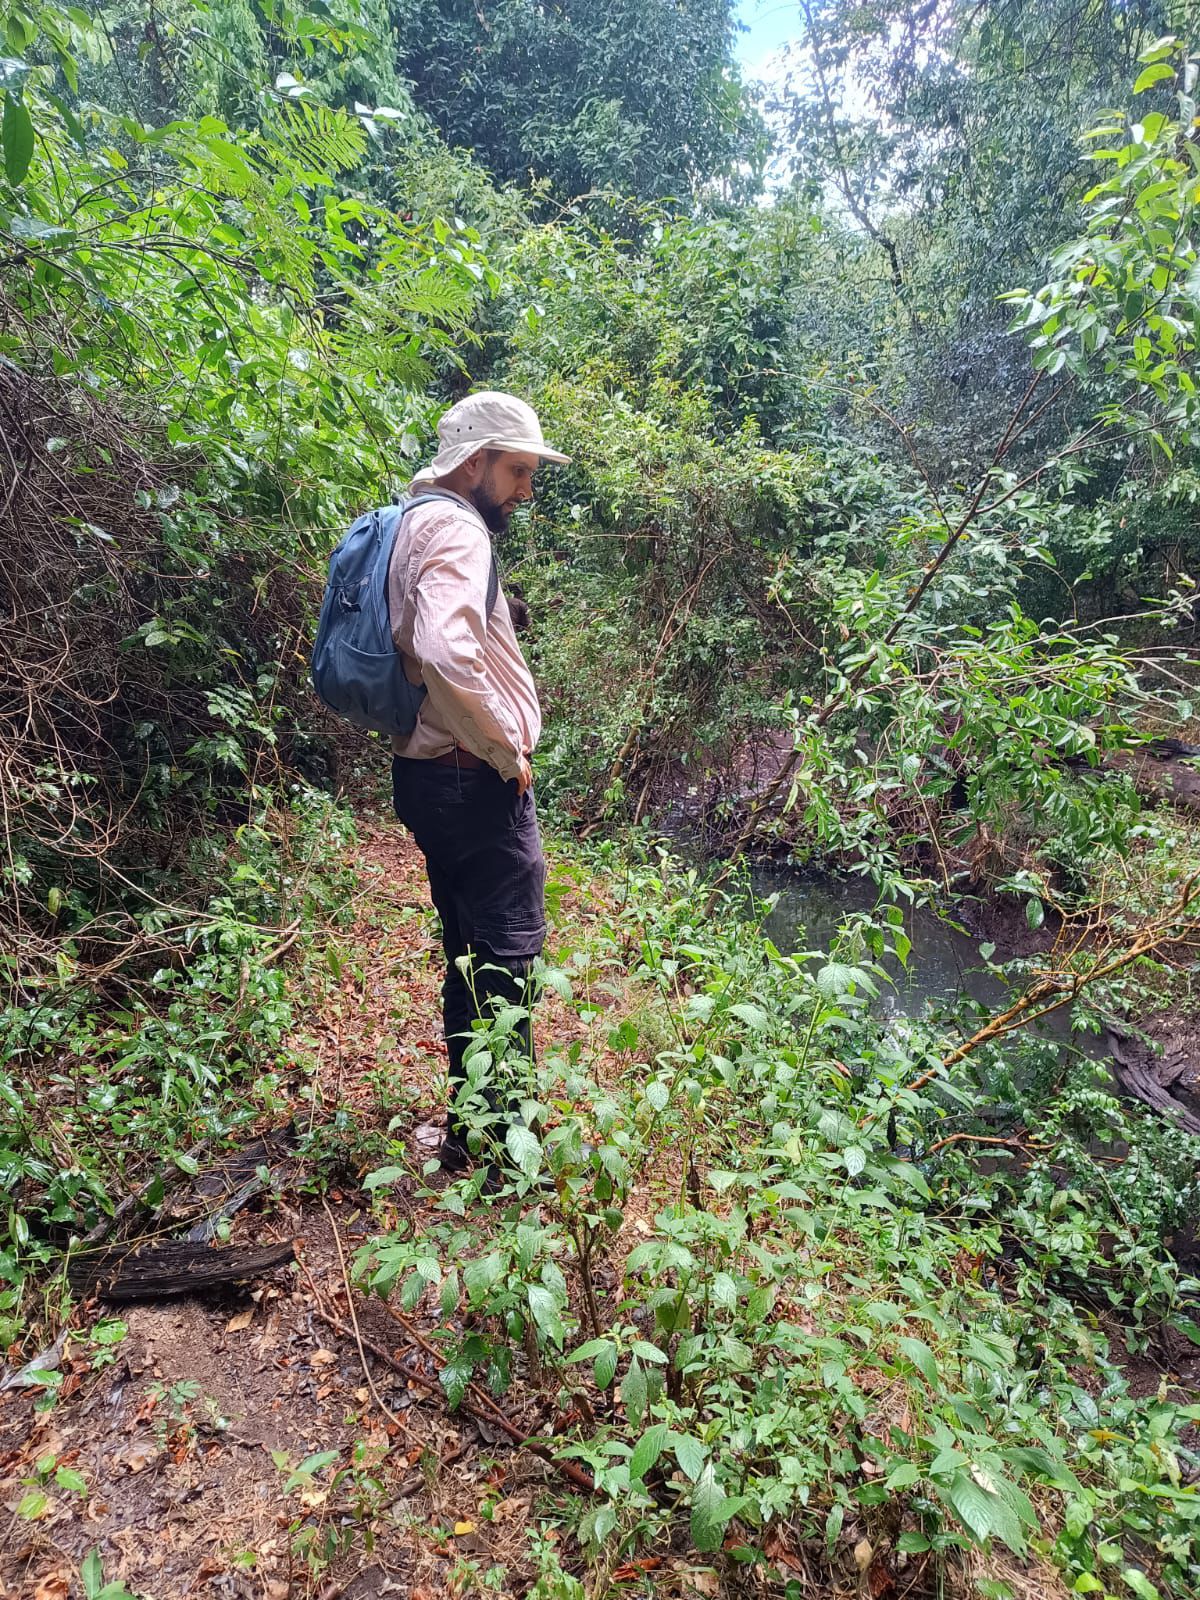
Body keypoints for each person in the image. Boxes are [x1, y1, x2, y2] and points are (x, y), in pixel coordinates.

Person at [386, 392, 569, 1183]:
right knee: (505, 962)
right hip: (471, 778)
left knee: (467, 954)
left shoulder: (414, 518)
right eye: (518, 471)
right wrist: (506, 751)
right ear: (475, 463)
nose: (525, 490)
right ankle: (505, 1158)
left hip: (430, 776)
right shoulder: (459, 529)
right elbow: (443, 648)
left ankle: (471, 1134)